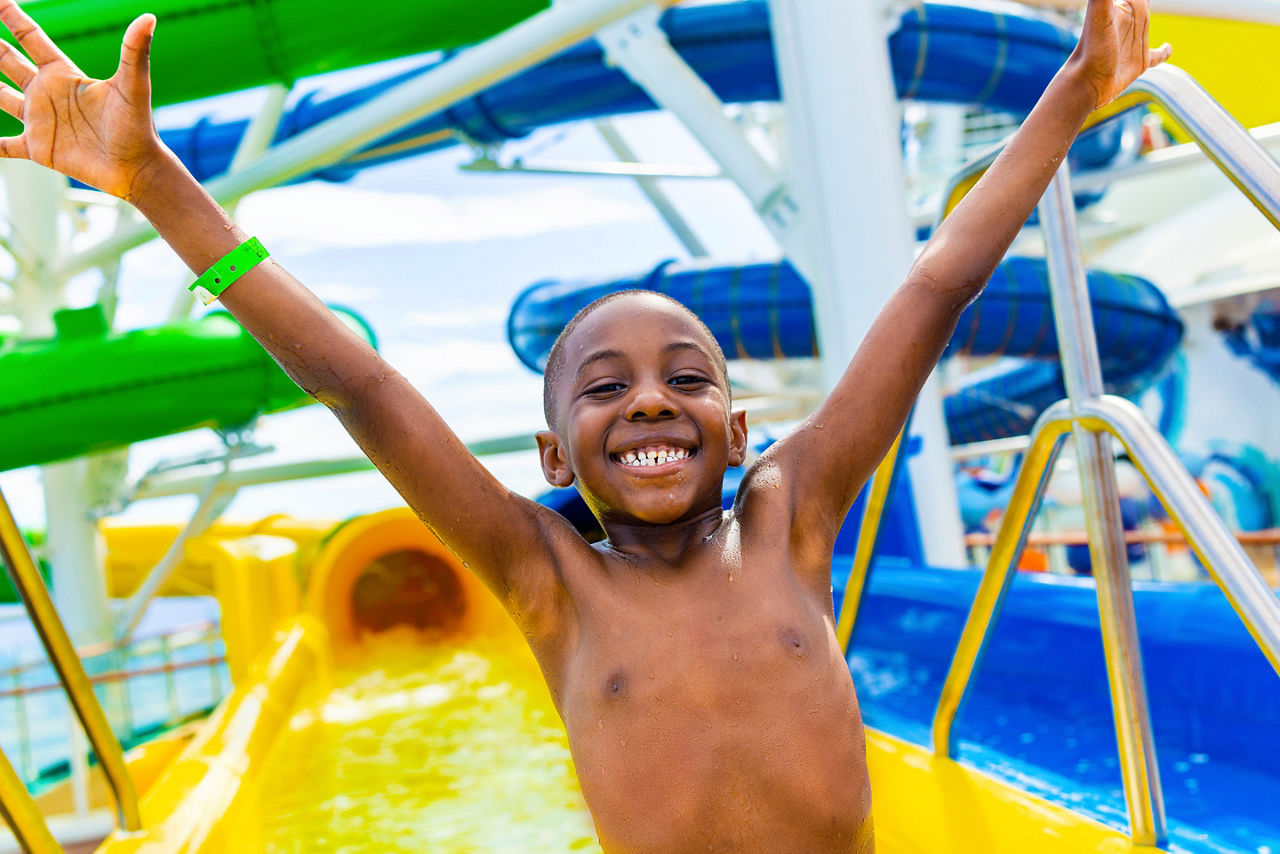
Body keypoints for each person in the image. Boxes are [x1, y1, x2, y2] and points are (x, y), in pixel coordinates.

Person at [0, 1, 1169, 850]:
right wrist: (158, 183)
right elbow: (354, 383)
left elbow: (930, 289)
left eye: (687, 377)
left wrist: (1067, 98)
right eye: (603, 387)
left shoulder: (791, 516)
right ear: (555, 456)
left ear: (739, 427)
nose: (651, 397)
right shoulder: (545, 572)